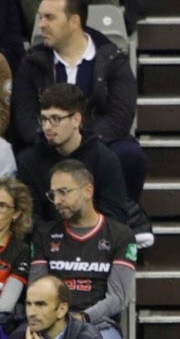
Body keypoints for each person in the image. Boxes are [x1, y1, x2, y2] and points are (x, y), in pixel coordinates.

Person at [14, 0, 142, 197]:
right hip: (49, 143)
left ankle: (121, 219)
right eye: (40, 17)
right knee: (24, 158)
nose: (41, 25)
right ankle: (39, 223)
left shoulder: (112, 58)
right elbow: (25, 116)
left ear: (74, 21)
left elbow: (120, 116)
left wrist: (83, 145)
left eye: (50, 17)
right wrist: (55, 140)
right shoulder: (32, 62)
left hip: (100, 143)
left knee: (130, 154)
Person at [29, 160, 136, 339]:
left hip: (98, 326)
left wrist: (82, 319)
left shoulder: (121, 235)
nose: (57, 201)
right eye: (53, 194)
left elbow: (117, 298)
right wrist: (58, 321)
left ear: (87, 191)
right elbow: (37, 289)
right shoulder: (44, 234)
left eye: (63, 192)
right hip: (51, 325)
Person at [17, 83, 145, 237]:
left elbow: (115, 217)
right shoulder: (29, 161)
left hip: (95, 246)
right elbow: (28, 218)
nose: (47, 127)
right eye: (43, 119)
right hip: (47, 244)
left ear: (76, 119)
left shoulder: (105, 159)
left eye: (55, 119)